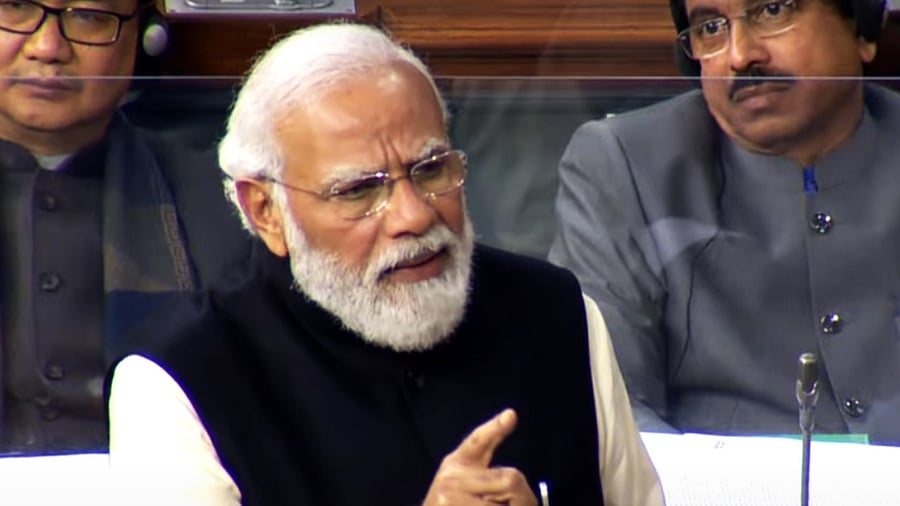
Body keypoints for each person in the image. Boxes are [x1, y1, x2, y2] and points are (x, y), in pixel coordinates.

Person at [105, 23, 664, 506]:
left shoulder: (558, 316)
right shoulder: (178, 382)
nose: (414, 216)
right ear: (265, 211)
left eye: (431, 169)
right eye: (357, 192)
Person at [549, 0, 900, 443]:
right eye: (710, 27)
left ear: (862, 28)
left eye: (773, 10)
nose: (740, 55)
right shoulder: (624, 164)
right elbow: (611, 408)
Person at [0, 0, 248, 453]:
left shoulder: (237, 210)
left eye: (89, 15)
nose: (48, 47)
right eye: (14, 6)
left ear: (146, 35)